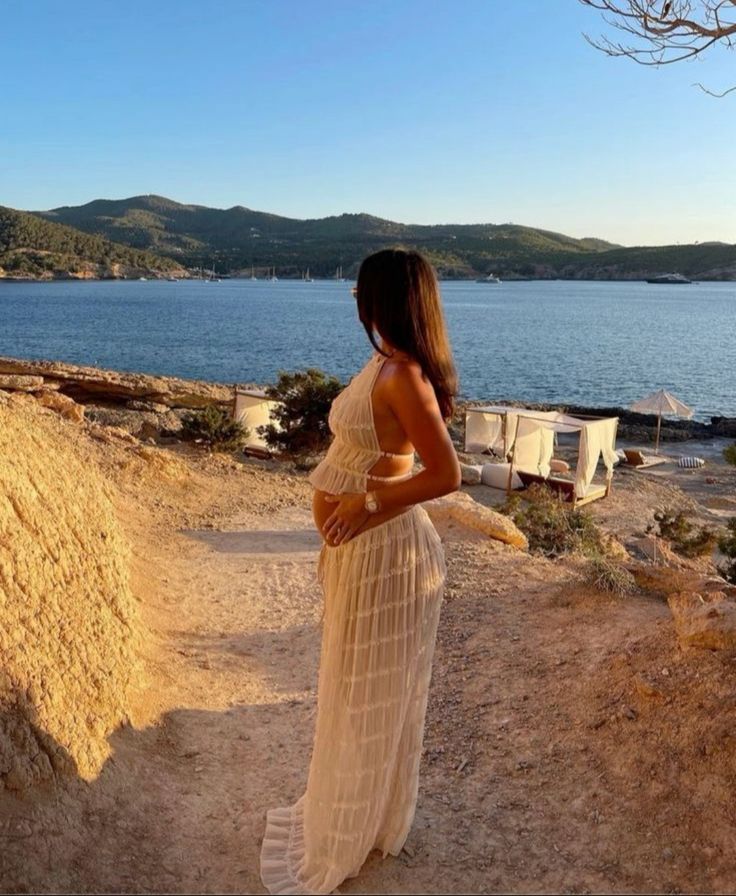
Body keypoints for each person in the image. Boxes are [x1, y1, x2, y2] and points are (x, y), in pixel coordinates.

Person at [260, 247, 461, 895]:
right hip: (361, 552)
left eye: (361, 291)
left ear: (385, 300)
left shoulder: (404, 376)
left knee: (369, 693)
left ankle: (358, 828)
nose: (354, 299)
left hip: (387, 553)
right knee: (354, 688)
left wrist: (365, 503)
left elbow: (447, 474)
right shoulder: (384, 362)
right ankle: (355, 815)